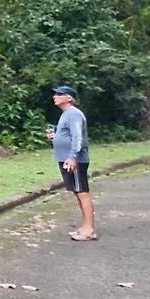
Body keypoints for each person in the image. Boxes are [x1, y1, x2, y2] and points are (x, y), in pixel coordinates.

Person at [46, 86, 95, 241]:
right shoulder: (66, 114)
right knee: (77, 192)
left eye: (59, 94)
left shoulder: (74, 114)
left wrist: (73, 157)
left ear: (69, 98)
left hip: (75, 161)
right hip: (66, 159)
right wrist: (56, 137)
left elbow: (77, 137)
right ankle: (85, 226)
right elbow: (67, 135)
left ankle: (89, 229)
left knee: (82, 192)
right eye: (55, 94)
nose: (55, 96)